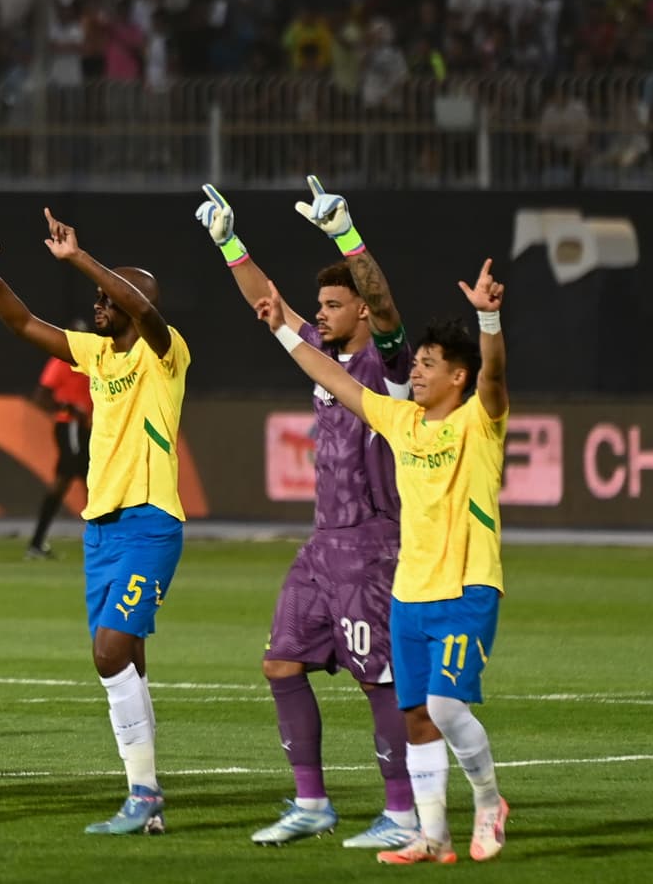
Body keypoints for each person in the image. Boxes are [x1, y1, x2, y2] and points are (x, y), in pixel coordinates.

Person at [254, 259, 512, 865]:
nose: (416, 373)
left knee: (447, 708)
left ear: (458, 376)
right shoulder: (401, 422)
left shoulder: (481, 421)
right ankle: (432, 836)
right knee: (417, 717)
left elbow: (495, 376)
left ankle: (488, 801)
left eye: (428, 366)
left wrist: (489, 317)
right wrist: (285, 331)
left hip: (468, 588)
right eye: (415, 363)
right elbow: (331, 375)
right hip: (409, 595)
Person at [193, 179, 419, 848]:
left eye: (331, 304)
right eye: (317, 303)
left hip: (373, 549)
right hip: (323, 548)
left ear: (357, 311)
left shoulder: (390, 367)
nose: (317, 313)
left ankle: (402, 811)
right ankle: (312, 802)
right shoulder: (322, 359)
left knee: (378, 679)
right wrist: (229, 242)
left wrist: (346, 235)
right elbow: (267, 302)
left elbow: (383, 300)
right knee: (281, 662)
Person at [0, 208, 186, 835]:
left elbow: (143, 312)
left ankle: (145, 794)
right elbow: (20, 322)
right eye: (97, 295)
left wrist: (83, 259)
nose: (100, 303)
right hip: (100, 529)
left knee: (109, 652)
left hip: (149, 522)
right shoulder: (96, 355)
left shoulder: (166, 353)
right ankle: (144, 799)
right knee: (128, 662)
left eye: (110, 296)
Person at [25, 318, 92, 559]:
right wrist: (70, 407)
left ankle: (37, 543)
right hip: (70, 425)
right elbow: (41, 395)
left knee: (84, 479)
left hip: (84, 428)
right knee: (82, 477)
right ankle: (100, 539)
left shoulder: (90, 359)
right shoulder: (62, 361)